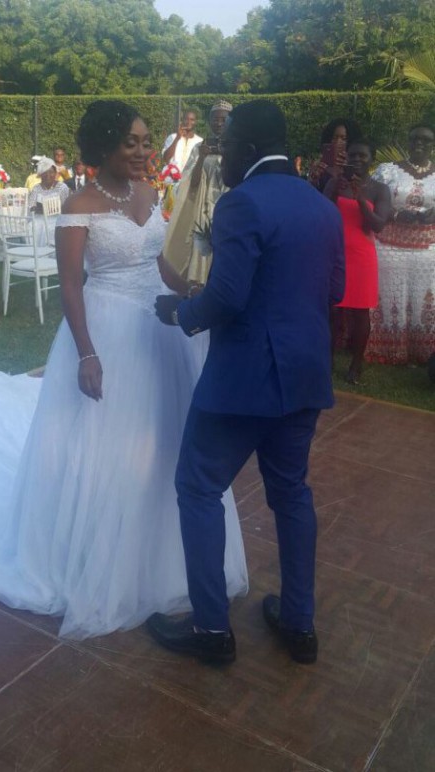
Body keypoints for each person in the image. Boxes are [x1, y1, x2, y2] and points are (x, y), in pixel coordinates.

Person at [0, 101, 248, 639]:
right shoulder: (78, 203)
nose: (144, 151)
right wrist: (87, 353)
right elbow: (73, 284)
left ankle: (165, 556)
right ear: (102, 146)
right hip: (108, 331)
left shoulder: (151, 195)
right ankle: (97, 556)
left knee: (162, 442)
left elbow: (161, 263)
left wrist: (192, 291)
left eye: (147, 141)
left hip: (161, 332)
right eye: (132, 142)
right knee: (106, 446)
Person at [148, 100, 345, 666]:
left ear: (252, 149)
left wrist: (181, 312)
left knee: (198, 485)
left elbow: (228, 296)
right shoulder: (321, 207)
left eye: (229, 144)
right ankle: (300, 625)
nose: (222, 153)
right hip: (305, 375)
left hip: (244, 380)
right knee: (291, 493)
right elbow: (333, 290)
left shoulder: (242, 203)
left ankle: (212, 630)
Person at [324, 140, 391, 384]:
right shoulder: (335, 183)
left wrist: (360, 198)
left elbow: (378, 225)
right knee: (331, 310)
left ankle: (356, 365)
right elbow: (321, 213)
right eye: (353, 155)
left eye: (363, 156)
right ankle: (327, 360)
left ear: (371, 159)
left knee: (359, 313)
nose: (358, 160)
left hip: (362, 258)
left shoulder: (379, 189)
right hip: (334, 254)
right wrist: (334, 188)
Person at [368, 124, 435, 364]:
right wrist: (395, 215)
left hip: (429, 249)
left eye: (426, 140)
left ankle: (424, 351)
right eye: (415, 138)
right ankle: (386, 348)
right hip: (389, 245)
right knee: (389, 293)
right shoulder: (388, 171)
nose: (420, 143)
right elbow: (369, 201)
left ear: (432, 144)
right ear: (408, 141)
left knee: (425, 298)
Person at [163, 101, 232, 285]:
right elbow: (191, 184)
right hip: (204, 210)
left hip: (229, 208)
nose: (219, 123)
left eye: (223, 120)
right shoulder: (199, 147)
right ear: (209, 121)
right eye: (215, 119)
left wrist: (226, 153)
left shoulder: (237, 147)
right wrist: (202, 156)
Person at [308, 118, 362, 192]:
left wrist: (348, 169)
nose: (338, 142)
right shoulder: (320, 167)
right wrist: (313, 180)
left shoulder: (357, 167)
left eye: (344, 138)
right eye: (334, 137)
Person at [162, 109, 203, 175]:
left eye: (192, 120)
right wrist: (177, 138)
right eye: (186, 119)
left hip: (189, 181)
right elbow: (165, 158)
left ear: (195, 122)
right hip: (171, 180)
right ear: (182, 120)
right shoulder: (172, 137)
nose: (189, 122)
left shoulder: (200, 141)